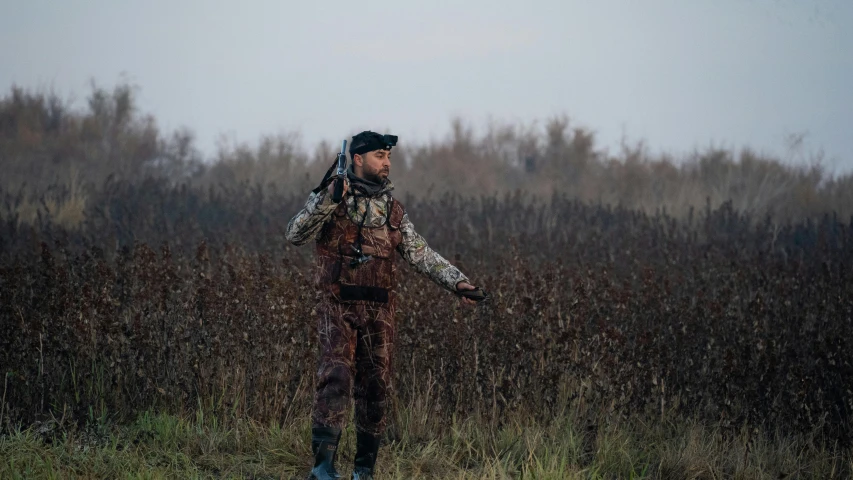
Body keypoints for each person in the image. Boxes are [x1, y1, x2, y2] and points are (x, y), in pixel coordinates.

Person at [285, 131, 481, 480]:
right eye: (379, 155)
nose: (387, 162)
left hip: (380, 312)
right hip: (337, 307)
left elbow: (420, 253)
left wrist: (458, 283)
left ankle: (364, 472)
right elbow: (295, 234)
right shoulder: (333, 197)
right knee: (336, 379)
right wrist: (328, 199)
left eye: (388, 156)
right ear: (357, 159)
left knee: (375, 387)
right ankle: (323, 469)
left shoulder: (392, 209)